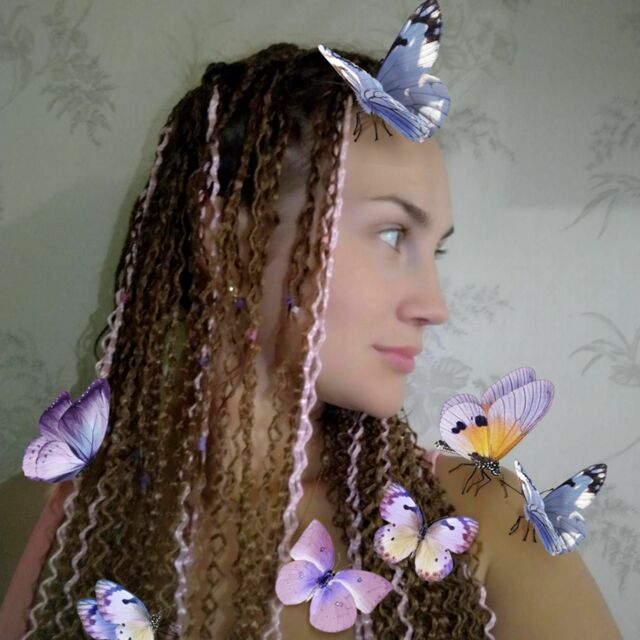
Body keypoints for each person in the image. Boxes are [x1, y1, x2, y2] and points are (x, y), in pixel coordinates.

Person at [0, 42, 621, 640]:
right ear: (228, 241)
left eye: (435, 251)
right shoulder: (37, 520)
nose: (434, 306)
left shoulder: (488, 521)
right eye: (392, 235)